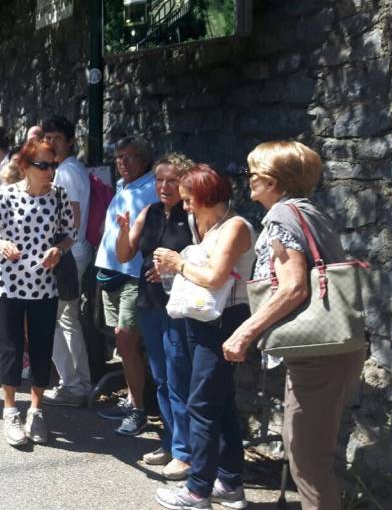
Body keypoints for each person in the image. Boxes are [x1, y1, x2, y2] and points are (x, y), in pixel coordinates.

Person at [223, 141, 363, 510]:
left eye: (254, 172)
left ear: (272, 181)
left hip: (320, 356)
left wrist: (245, 331)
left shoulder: (284, 216)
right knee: (305, 453)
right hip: (325, 352)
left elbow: (294, 288)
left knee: (308, 460)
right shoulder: (307, 211)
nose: (248, 179)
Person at [152, 164, 256, 510]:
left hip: (223, 321)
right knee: (220, 402)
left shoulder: (235, 227)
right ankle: (230, 483)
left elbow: (214, 277)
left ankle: (197, 491)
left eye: (188, 200)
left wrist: (178, 264)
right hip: (203, 321)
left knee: (201, 405)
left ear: (205, 196)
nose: (185, 208)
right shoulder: (208, 226)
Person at [0, 140, 77, 446]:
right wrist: (0, 245)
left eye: (53, 164)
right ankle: (10, 410)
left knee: (41, 349)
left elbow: (69, 235)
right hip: (9, 285)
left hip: (44, 286)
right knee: (10, 348)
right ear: (25, 166)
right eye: (44, 165)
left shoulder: (59, 196)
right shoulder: (7, 195)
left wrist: (58, 251)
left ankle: (36, 409)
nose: (50, 171)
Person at [115, 153, 196, 479]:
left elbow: (204, 259)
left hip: (180, 307)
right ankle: (171, 442)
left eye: (172, 181)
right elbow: (125, 254)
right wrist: (123, 230)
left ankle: (186, 452)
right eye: (160, 180)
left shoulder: (192, 215)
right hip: (149, 304)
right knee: (161, 378)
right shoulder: (148, 212)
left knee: (179, 378)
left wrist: (174, 264)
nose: (164, 186)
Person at [95, 136, 158, 436]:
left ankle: (139, 409)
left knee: (126, 338)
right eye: (119, 157)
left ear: (144, 159)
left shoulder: (153, 188)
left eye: (130, 156)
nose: (123, 162)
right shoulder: (123, 186)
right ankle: (135, 398)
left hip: (133, 273)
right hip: (112, 271)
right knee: (123, 342)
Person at [40, 116, 95, 408]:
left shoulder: (68, 172)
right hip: (71, 251)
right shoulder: (68, 170)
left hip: (68, 253)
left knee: (60, 320)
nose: (51, 143)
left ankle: (74, 385)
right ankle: (77, 382)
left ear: (70, 141)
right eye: (47, 137)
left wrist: (57, 248)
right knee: (66, 319)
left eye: (57, 138)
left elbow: (71, 216)